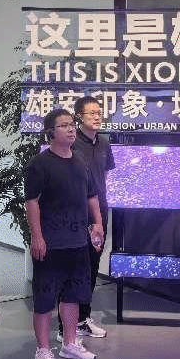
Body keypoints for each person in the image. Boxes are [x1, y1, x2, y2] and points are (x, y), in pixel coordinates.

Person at [25, 109, 104, 359]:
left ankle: (69, 344)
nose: (71, 129)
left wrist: (98, 223)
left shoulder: (80, 162)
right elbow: (32, 202)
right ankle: (42, 351)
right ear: (51, 132)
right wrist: (37, 236)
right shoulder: (39, 164)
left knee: (73, 295)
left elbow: (92, 196)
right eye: (64, 125)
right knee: (45, 298)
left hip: (77, 241)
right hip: (50, 242)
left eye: (72, 124)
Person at [56, 96, 114, 342]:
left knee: (91, 267)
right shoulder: (71, 143)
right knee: (72, 269)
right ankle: (64, 326)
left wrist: (99, 215)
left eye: (99, 112)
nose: (97, 117)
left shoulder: (104, 143)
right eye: (91, 113)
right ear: (79, 116)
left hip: (99, 212)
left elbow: (104, 177)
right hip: (76, 215)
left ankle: (83, 318)